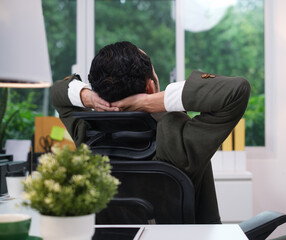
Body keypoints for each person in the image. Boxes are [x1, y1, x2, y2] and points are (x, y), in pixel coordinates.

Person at [50, 41, 251, 224]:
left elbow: (57, 93)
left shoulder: (89, 134)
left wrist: (87, 97)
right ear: (149, 86)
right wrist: (148, 101)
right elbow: (236, 90)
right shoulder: (176, 134)